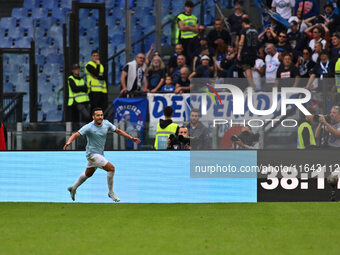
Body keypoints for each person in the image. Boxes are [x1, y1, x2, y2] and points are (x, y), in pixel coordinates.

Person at [63, 107, 141, 202]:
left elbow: (118, 131)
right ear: (93, 117)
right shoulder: (89, 127)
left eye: (101, 115)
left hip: (99, 154)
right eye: (98, 115)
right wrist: (69, 142)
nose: (100, 117)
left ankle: (73, 188)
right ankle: (111, 192)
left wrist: (131, 138)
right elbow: (76, 134)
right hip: (91, 155)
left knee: (88, 174)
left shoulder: (106, 123)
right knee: (111, 169)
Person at [237, 17, 258, 89]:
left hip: (246, 52)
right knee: (251, 68)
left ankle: (252, 87)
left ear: (243, 23)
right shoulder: (255, 30)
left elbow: (241, 41)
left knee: (247, 69)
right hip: (254, 52)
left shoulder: (244, 30)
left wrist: (239, 52)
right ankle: (253, 85)